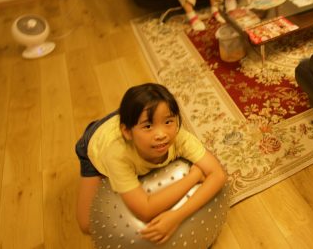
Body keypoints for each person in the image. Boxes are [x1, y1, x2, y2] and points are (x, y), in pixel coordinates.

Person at [75, 83, 226, 244]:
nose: (161, 134)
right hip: (95, 139)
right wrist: (194, 176)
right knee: (86, 225)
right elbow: (145, 210)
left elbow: (218, 175)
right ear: (127, 132)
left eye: (168, 121)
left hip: (128, 124)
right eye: (148, 126)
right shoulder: (117, 155)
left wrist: (177, 216)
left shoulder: (179, 137)